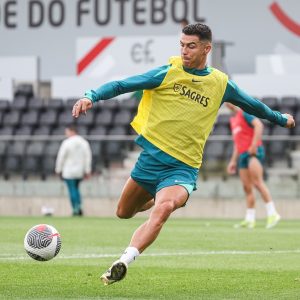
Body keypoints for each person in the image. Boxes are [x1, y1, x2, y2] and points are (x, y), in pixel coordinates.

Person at [72, 23, 295, 285]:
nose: (184, 51)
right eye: (182, 45)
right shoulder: (168, 72)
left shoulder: (220, 84)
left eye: (191, 46)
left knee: (164, 208)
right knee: (124, 212)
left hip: (183, 168)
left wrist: (281, 119)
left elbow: (253, 105)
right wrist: (91, 96)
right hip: (151, 161)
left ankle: (124, 260)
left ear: (206, 48)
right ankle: (156, 197)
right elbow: (123, 84)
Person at [226, 103, 281, 229]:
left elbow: (259, 125)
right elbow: (237, 142)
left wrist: (254, 145)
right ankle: (250, 219)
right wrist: (233, 161)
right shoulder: (233, 120)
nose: (228, 103)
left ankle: (273, 213)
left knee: (257, 182)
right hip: (242, 155)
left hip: (253, 152)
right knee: (247, 187)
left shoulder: (245, 113)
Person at [55, 124, 92, 216]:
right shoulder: (83, 142)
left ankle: (75, 208)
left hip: (68, 171)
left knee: (72, 189)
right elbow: (88, 157)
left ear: (72, 131)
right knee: (76, 189)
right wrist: (87, 170)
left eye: (67, 132)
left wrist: (58, 169)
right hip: (79, 171)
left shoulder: (67, 142)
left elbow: (61, 157)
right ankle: (79, 206)